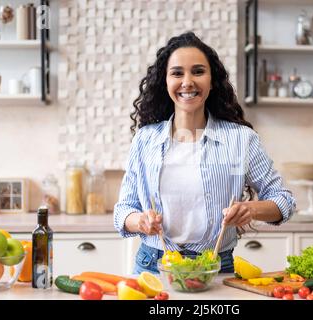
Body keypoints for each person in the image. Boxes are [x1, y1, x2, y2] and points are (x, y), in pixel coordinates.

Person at [114, 32, 296, 275]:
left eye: (198, 71)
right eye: (177, 73)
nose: (187, 82)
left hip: (217, 267)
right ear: (165, 82)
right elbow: (123, 209)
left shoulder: (240, 139)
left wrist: (250, 209)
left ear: (212, 81)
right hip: (154, 265)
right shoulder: (145, 139)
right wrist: (140, 221)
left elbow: (284, 200)